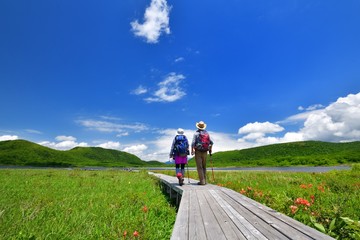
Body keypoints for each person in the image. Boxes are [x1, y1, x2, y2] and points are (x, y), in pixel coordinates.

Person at [191, 121, 213, 185]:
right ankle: (205, 181)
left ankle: (202, 181)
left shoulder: (196, 133)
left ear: (198, 126)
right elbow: (211, 142)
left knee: (199, 167)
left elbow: (193, 143)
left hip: (198, 151)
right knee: (204, 166)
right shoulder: (207, 133)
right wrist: (210, 149)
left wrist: (192, 150)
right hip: (205, 152)